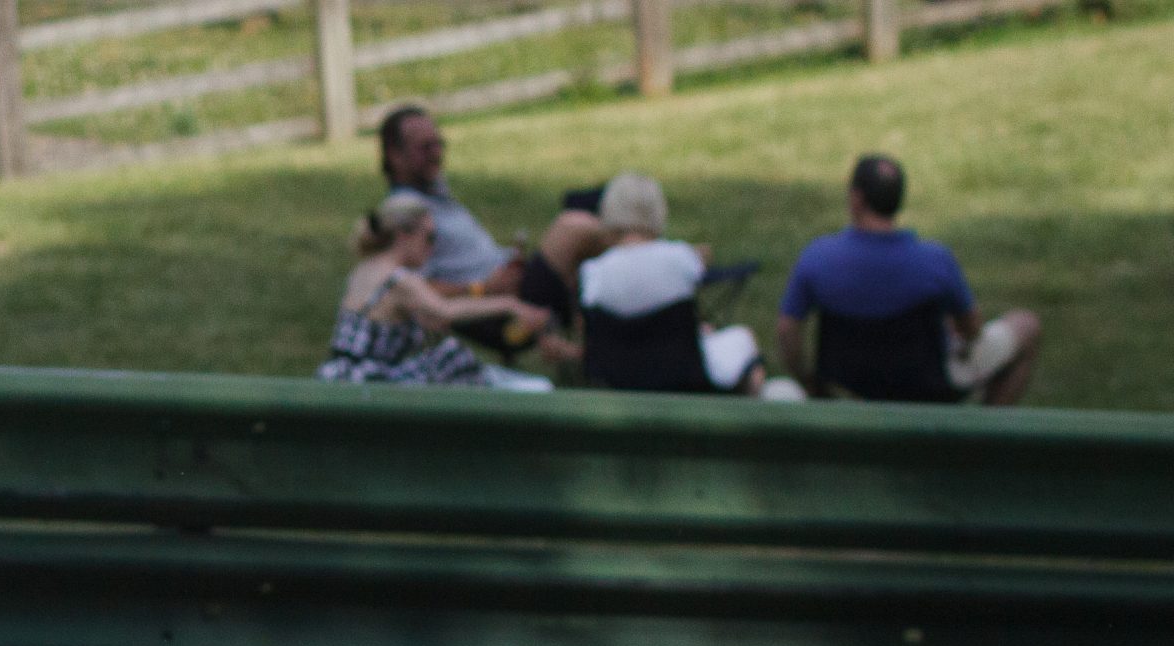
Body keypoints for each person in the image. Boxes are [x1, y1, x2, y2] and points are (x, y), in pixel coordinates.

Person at [775, 153, 1041, 405]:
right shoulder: (936, 261)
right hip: (930, 385)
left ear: (856, 198)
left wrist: (808, 380)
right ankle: (982, 435)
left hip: (844, 385)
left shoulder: (818, 258)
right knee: (1027, 326)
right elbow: (972, 329)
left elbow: (787, 330)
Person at [376, 104, 604, 361]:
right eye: (425, 147)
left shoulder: (433, 194)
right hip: (500, 309)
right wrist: (482, 288)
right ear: (395, 155)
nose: (437, 153)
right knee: (574, 227)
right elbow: (411, 290)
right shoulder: (405, 215)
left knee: (590, 211)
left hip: (514, 283)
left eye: (439, 144)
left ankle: (600, 351)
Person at [577, 172, 796, 397]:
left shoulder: (592, 273)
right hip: (682, 371)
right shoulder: (680, 258)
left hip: (619, 375)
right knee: (741, 338)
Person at [318, 191, 551, 388]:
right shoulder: (399, 279)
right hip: (368, 380)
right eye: (430, 237)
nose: (432, 248)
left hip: (339, 374)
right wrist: (510, 304)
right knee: (450, 356)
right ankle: (511, 397)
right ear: (403, 235)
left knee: (443, 356)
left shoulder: (365, 268)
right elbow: (446, 310)